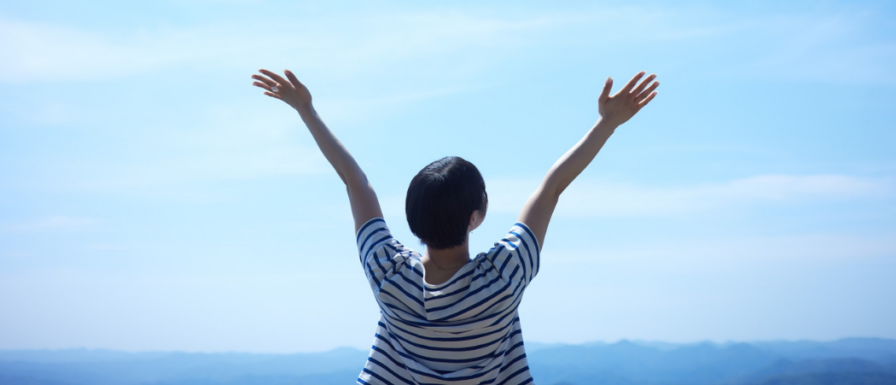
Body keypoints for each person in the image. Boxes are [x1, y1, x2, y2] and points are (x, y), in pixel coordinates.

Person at [251, 68, 659, 385]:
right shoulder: (503, 277)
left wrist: (306, 110)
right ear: (475, 217)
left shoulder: (388, 274)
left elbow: (355, 182)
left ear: (413, 219)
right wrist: (607, 124)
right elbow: (552, 187)